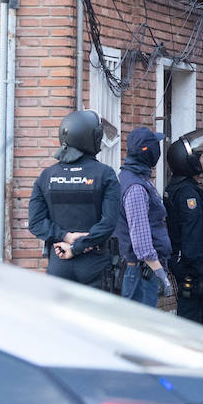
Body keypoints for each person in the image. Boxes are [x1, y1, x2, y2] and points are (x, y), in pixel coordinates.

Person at [29, 110, 121, 291]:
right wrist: (77, 246)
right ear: (93, 138)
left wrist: (66, 236)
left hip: (59, 260)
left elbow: (35, 222)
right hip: (95, 263)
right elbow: (109, 223)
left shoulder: (46, 176)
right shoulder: (105, 174)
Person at [114, 127, 175, 306]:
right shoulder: (136, 188)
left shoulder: (131, 178)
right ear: (149, 153)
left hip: (137, 271)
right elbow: (141, 241)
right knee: (140, 322)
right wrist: (160, 274)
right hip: (140, 273)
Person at [164, 128, 203, 325]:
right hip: (189, 267)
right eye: (201, 156)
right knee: (194, 318)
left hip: (182, 262)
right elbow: (192, 236)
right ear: (189, 161)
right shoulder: (187, 193)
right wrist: (200, 272)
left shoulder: (177, 187)